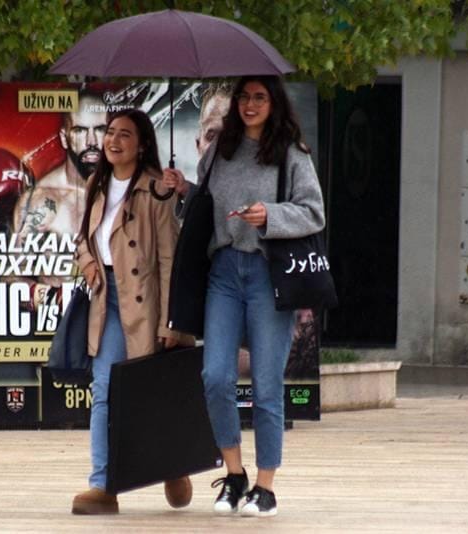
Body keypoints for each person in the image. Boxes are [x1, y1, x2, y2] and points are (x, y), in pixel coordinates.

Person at [162, 76, 326, 517]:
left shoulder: (292, 153)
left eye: (259, 97)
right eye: (244, 97)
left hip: (267, 273)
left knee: (266, 384)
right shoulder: (220, 150)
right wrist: (184, 189)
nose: (250, 105)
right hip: (224, 272)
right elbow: (206, 209)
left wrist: (269, 215)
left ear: (274, 103)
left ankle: (265, 487)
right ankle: (234, 475)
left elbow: (314, 213)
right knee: (216, 376)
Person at [71, 109, 191, 515]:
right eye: (110, 132)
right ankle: (103, 485)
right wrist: (88, 262)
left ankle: (174, 466)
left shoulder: (157, 189)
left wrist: (171, 321)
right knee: (104, 391)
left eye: (125, 134)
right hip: (107, 300)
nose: (113, 140)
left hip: (147, 303)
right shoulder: (95, 184)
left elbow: (170, 259)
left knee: (151, 395)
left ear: (142, 146)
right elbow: (83, 237)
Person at [11, 91, 108, 308]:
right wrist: (53, 300)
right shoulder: (41, 200)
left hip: (112, 315)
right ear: (64, 138)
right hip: (61, 321)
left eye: (100, 129)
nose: (92, 141)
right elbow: (11, 276)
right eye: (80, 130)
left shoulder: (123, 193)